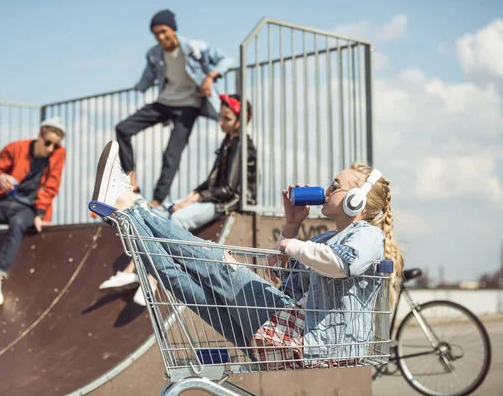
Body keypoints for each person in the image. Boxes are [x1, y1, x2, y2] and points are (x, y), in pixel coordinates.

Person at [89, 140, 403, 365]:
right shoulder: (326, 238)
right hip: (286, 339)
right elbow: (286, 286)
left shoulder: (368, 236)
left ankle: (129, 203)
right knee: (181, 282)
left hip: (304, 340)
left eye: (336, 186)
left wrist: (292, 245)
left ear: (356, 202)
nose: (327, 189)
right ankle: (124, 214)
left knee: (218, 264)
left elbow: (341, 265)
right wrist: (291, 227)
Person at [99, 94, 258, 306]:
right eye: (220, 117)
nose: (221, 123)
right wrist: (193, 194)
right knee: (161, 213)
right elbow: (212, 180)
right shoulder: (228, 141)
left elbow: (229, 189)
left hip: (228, 204)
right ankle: (131, 271)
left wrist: (196, 198)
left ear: (241, 121)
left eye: (226, 119)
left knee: (179, 219)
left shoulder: (242, 145)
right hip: (214, 197)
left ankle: (153, 279)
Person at [115, 8, 234, 209]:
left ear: (173, 30)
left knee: (172, 153)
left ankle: (157, 200)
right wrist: (137, 85)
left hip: (189, 105)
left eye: (163, 32)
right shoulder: (154, 54)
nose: (160, 37)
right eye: (156, 34)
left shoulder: (194, 48)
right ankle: (131, 181)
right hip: (164, 102)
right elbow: (147, 79)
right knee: (123, 128)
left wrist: (210, 76)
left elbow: (228, 60)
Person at [0, 117, 67, 307]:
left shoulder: (58, 154)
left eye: (56, 145)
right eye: (48, 143)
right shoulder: (16, 148)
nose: (51, 149)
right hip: (5, 203)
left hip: (29, 209)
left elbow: (52, 185)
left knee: (18, 223)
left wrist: (40, 214)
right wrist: (0, 176)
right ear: (39, 136)